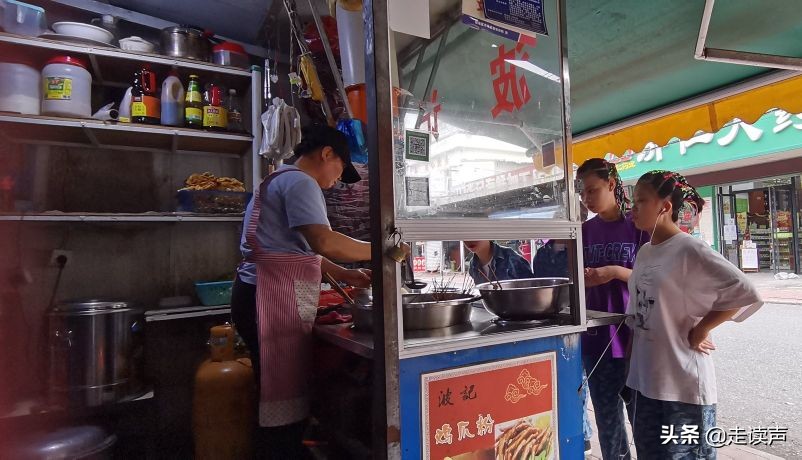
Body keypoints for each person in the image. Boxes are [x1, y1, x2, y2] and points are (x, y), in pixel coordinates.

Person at [230, 125, 372, 459]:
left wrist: (345, 274)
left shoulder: (277, 179)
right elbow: (323, 241)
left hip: (256, 292)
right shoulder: (301, 182)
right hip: (268, 298)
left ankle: (282, 450)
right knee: (280, 397)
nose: (337, 181)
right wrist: (381, 247)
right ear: (326, 154)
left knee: (273, 393)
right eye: (340, 171)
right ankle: (281, 453)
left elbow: (297, 252)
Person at [627, 170, 762, 458]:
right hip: (645, 381)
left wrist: (702, 329)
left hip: (683, 386)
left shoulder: (690, 249)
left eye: (640, 201)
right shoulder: (645, 252)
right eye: (632, 200)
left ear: (664, 207)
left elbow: (744, 291)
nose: (632, 208)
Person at [577, 158, 649, 460]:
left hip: (634, 339)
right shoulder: (582, 231)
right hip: (596, 339)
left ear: (611, 184)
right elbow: (574, 279)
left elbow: (655, 278)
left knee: (643, 420)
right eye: (582, 193)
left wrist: (616, 272)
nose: (587, 198)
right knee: (608, 422)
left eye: (593, 190)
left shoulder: (638, 226)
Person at [464, 240, 533, 285]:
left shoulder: (512, 259)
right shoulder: (473, 265)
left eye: (477, 233)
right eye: (464, 235)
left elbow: (531, 292)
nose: (470, 240)